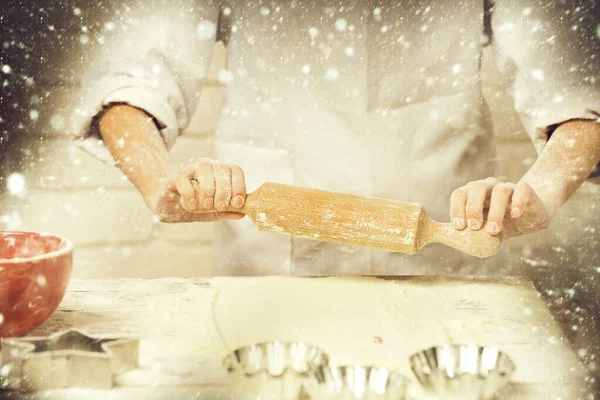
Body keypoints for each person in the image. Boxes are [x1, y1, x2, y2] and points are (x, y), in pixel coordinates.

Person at [71, 0, 600, 276]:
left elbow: (577, 84)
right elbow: (135, 79)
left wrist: (543, 194)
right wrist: (159, 183)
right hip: (272, 261)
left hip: (448, 243)